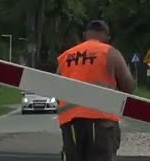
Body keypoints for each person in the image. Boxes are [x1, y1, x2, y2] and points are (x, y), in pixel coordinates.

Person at [56, 20, 136, 161]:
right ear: (107, 37)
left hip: (71, 122)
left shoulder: (66, 56)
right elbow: (128, 87)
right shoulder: (110, 53)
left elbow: (56, 89)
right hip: (101, 122)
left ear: (85, 34)